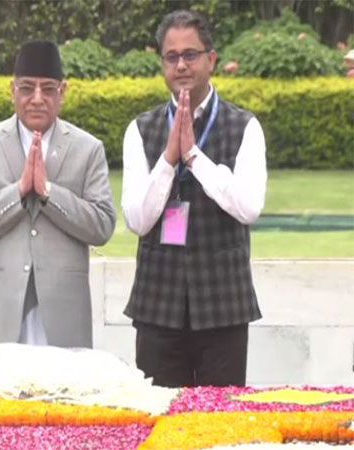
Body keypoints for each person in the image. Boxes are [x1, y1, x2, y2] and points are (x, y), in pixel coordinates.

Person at [121, 10, 267, 387]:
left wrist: (195, 158)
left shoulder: (244, 126)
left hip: (223, 305)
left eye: (191, 54)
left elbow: (249, 207)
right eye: (172, 57)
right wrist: (169, 159)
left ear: (211, 59)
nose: (181, 65)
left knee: (219, 429)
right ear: (162, 64)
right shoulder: (140, 130)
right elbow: (137, 220)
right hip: (158, 306)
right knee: (159, 425)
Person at [0, 40, 116, 348]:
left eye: (49, 89)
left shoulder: (88, 149)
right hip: (2, 316)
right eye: (27, 88)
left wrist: (48, 193)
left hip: (63, 318)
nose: (37, 99)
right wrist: (17, 192)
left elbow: (103, 225)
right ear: (12, 90)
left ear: (63, 91)